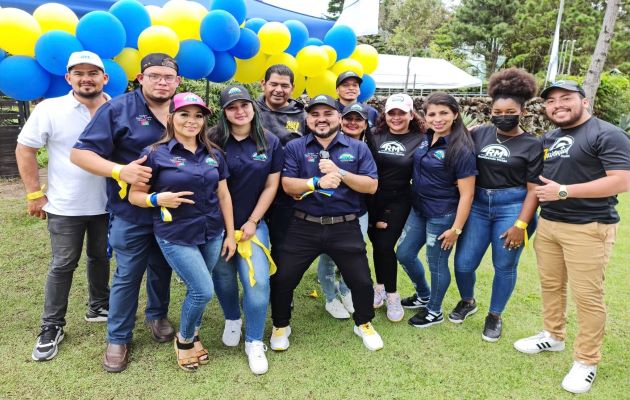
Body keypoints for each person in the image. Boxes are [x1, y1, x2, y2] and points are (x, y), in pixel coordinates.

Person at [513, 80, 630, 394]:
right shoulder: (551, 137)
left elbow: (621, 181)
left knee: (587, 297)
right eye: (551, 101)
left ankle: (586, 361)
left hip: (589, 228)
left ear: (584, 101)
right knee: (551, 285)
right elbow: (541, 182)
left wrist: (564, 191)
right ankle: (553, 336)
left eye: (566, 98)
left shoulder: (607, 134)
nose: (557, 105)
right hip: (550, 225)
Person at [70, 53, 181, 372]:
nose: (162, 82)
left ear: (177, 82)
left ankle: (157, 316)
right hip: (130, 213)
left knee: (162, 269)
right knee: (128, 274)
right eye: (155, 76)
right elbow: (80, 154)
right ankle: (118, 338)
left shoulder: (184, 108)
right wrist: (120, 170)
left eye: (168, 77)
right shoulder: (116, 109)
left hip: (169, 211)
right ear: (140, 78)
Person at [128, 92, 236, 372]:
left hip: (212, 232)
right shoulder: (153, 154)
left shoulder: (214, 153)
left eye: (198, 115)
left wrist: (231, 234)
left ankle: (195, 331)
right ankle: (185, 340)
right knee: (202, 290)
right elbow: (134, 196)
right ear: (171, 117)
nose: (192, 120)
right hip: (175, 234)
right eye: (185, 114)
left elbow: (223, 195)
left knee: (197, 289)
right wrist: (156, 199)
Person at [16, 51, 111, 361]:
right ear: (68, 78)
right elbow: (25, 149)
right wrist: (34, 194)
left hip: (109, 205)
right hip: (65, 206)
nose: (86, 78)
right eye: (79, 73)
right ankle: (51, 326)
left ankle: (98, 306)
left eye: (93, 72)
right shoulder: (50, 109)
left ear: (104, 78)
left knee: (100, 257)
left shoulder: (116, 108)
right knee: (62, 264)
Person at [270, 94, 384, 351]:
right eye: (315, 114)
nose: (321, 119)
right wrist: (316, 183)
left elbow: (371, 185)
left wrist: (340, 172)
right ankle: (280, 324)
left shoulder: (357, 148)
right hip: (304, 225)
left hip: (345, 225)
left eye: (328, 113)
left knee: (362, 281)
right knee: (284, 278)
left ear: (339, 118)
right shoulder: (295, 147)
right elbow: (288, 185)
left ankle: (363, 323)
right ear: (307, 119)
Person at [452, 68, 542, 342]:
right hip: (478, 204)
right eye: (497, 111)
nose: (503, 116)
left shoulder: (532, 145)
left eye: (509, 111)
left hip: (512, 206)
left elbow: (534, 190)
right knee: (464, 263)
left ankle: (495, 315)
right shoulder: (479, 134)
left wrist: (521, 224)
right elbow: (454, 143)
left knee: (504, 264)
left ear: (522, 112)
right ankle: (468, 301)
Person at [208, 85, 283, 375]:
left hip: (254, 226)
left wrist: (252, 221)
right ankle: (232, 318)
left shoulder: (269, 141)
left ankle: (254, 340)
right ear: (224, 112)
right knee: (224, 279)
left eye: (244, 105)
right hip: (216, 226)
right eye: (231, 107)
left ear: (253, 107)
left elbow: (271, 185)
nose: (239, 111)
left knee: (258, 283)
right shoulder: (211, 140)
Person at [396, 92, 476, 328]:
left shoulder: (461, 148)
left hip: (443, 215)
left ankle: (434, 310)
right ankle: (423, 294)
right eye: (432, 114)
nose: (437, 119)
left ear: (455, 115)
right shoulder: (426, 137)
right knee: (404, 253)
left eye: (444, 113)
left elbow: (467, 193)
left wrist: (456, 229)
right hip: (419, 209)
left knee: (436, 263)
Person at [365, 93, 427, 322]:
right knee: (377, 246)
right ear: (385, 114)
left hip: (399, 199)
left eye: (402, 113)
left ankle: (392, 295)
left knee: (384, 245)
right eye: (392, 112)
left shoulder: (422, 137)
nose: (396, 117)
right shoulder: (373, 135)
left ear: (411, 115)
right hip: (370, 197)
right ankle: (379, 287)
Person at [316, 103, 372, 319]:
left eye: (358, 119)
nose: (352, 123)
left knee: (354, 255)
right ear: (340, 119)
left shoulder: (366, 148)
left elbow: (372, 185)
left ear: (366, 124)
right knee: (328, 256)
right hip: (327, 211)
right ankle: (330, 297)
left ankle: (346, 291)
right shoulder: (323, 144)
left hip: (359, 211)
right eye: (348, 118)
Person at [255, 64, 306, 263]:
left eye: (284, 85)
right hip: (254, 189)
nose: (278, 90)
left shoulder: (303, 116)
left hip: (287, 192)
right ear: (263, 84)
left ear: (292, 88)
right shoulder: (248, 110)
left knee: (283, 244)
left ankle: (278, 289)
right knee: (252, 238)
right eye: (273, 84)